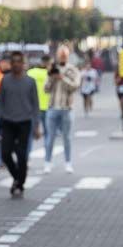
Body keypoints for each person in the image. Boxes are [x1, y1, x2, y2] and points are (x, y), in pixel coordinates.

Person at [0, 51, 40, 197]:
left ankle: (20, 183)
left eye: (18, 62)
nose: (15, 64)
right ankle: (16, 177)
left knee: (21, 155)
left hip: (24, 122)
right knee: (5, 153)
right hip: (8, 121)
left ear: (23, 64)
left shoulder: (30, 82)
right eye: (13, 62)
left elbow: (35, 105)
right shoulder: (5, 80)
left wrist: (37, 126)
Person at [44, 45, 81, 174]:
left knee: (67, 137)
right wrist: (52, 78)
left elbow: (75, 86)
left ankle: (68, 162)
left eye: (64, 54)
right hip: (53, 107)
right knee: (50, 137)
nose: (62, 57)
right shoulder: (52, 69)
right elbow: (46, 89)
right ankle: (47, 162)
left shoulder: (72, 70)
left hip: (67, 108)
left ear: (68, 55)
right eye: (60, 54)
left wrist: (62, 78)